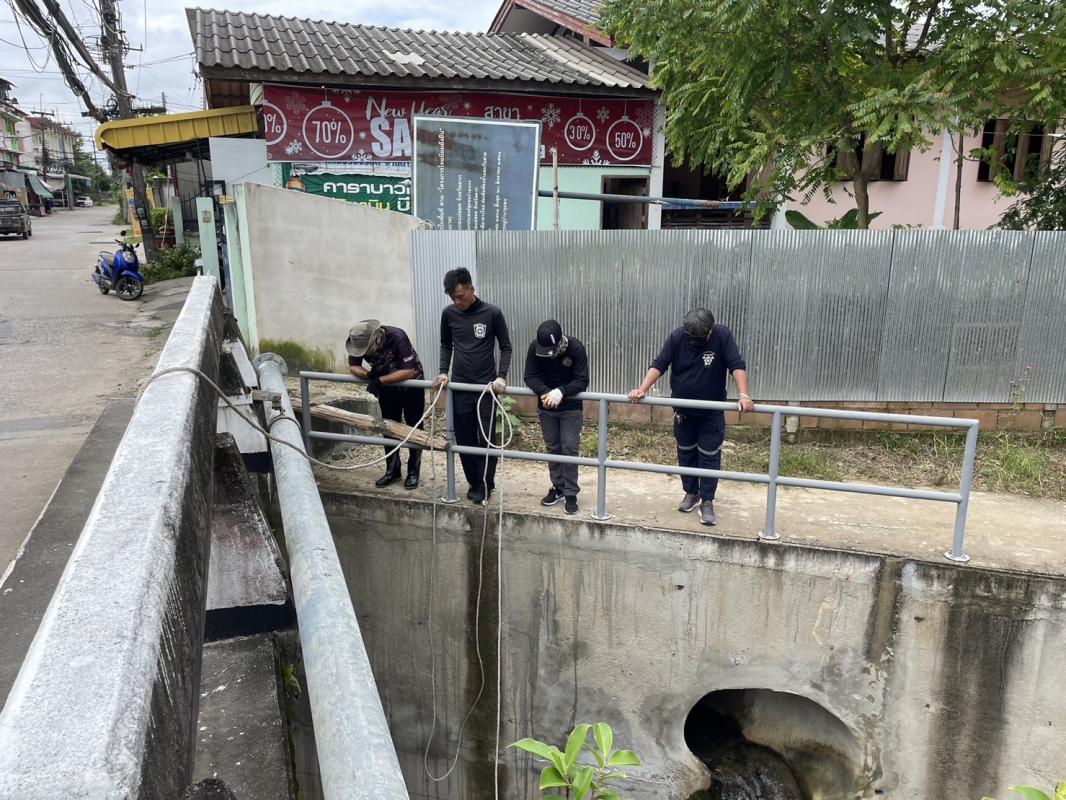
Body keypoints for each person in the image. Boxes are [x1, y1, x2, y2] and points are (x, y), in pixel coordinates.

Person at [627, 308, 753, 526]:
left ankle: (707, 501)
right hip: (683, 412)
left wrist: (744, 395)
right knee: (685, 453)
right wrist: (642, 388)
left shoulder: (723, 336)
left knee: (709, 456)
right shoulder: (678, 337)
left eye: (700, 337)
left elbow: (736, 364)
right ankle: (691, 493)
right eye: (691, 337)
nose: (695, 341)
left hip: (711, 412)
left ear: (710, 331)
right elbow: (660, 363)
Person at [433, 268, 512, 504]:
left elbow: (506, 347)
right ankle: (474, 482)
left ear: (471, 289)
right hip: (460, 387)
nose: (457, 302)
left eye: (461, 296)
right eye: (453, 298)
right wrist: (443, 372)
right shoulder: (449, 314)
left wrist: (501, 377)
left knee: (487, 437)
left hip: (486, 388)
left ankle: (486, 482)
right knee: (465, 437)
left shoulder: (492, 313)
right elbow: (446, 345)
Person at [346, 319, 425, 490]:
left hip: (411, 385)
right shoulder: (356, 341)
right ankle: (393, 470)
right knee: (388, 427)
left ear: (375, 338)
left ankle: (413, 470)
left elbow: (409, 371)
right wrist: (369, 376)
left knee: (414, 426)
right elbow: (353, 366)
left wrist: (380, 380)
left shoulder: (397, 336)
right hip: (387, 387)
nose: (364, 353)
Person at [523, 320, 590, 515]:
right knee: (553, 447)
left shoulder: (575, 348)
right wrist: (545, 392)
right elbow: (529, 376)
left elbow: (582, 380)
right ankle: (558, 487)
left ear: (560, 341)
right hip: (546, 405)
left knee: (569, 447)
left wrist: (562, 392)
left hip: (571, 407)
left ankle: (571, 492)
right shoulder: (535, 348)